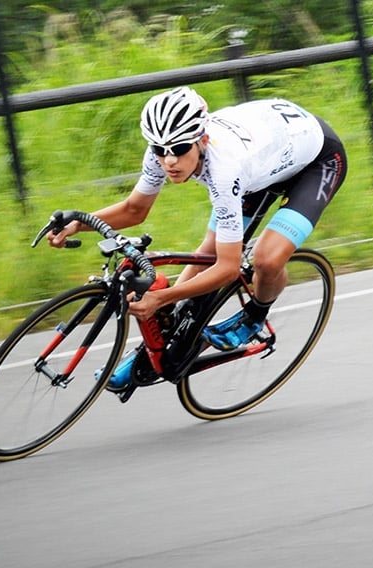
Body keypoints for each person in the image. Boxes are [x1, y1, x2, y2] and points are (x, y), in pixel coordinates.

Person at [48, 86, 347, 389]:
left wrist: (160, 298)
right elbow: (135, 209)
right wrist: (79, 223)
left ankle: (254, 315)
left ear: (202, 140)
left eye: (179, 150)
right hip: (264, 158)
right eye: (159, 150)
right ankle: (162, 343)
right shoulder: (165, 149)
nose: (169, 161)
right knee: (208, 252)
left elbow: (227, 268)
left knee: (266, 259)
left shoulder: (224, 169)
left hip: (316, 162)